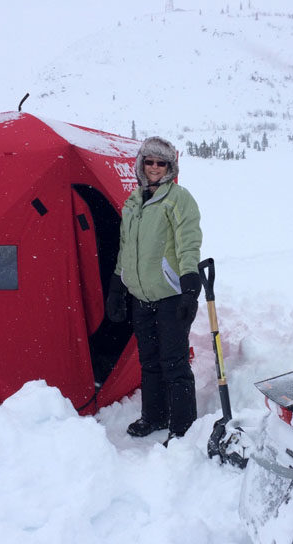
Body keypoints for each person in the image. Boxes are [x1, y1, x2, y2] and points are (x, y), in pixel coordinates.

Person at [105, 136, 202, 443]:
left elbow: (189, 242)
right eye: (150, 162)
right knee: (149, 363)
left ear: (170, 167)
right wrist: (117, 287)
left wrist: (189, 286)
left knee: (174, 363)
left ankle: (183, 427)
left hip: (171, 296)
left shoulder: (178, 198)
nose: (155, 168)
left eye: (161, 163)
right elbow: (126, 248)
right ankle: (155, 416)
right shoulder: (133, 203)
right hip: (141, 297)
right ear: (141, 165)